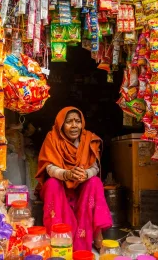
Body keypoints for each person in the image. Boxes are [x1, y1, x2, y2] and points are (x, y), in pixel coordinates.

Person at [36, 107, 112, 251]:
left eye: (77, 121)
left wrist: (85, 174)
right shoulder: (52, 138)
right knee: (52, 183)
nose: (74, 125)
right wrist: (67, 174)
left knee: (95, 182)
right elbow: (48, 167)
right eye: (69, 121)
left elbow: (95, 167)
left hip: (81, 187)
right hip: (60, 187)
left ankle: (96, 234)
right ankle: (58, 237)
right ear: (61, 124)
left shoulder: (88, 138)